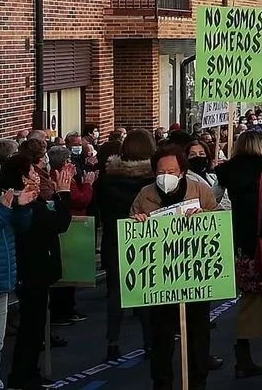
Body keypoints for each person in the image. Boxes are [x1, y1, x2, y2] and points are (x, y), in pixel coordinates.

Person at [129, 145, 220, 390]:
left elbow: (218, 225)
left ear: (181, 172)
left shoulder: (200, 190)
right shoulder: (145, 195)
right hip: (161, 281)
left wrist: (204, 218)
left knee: (198, 336)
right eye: (160, 170)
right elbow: (132, 237)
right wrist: (137, 223)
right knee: (161, 339)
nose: (165, 176)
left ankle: (197, 382)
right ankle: (162, 383)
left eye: (171, 170)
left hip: (195, 278)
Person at [7, 153, 73, 390]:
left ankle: (27, 371)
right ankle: (23, 375)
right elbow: (59, 223)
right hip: (31, 270)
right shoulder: (22, 205)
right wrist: (64, 193)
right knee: (31, 327)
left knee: (34, 326)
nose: (37, 176)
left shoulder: (30, 204)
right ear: (22, 178)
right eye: (32, 172)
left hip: (32, 269)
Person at [215, 131, 262, 379]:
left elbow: (212, 200)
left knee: (248, 299)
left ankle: (243, 354)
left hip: (241, 244)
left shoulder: (226, 172)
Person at [93, 129, 157, 361]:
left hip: (115, 239)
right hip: (146, 238)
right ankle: (150, 342)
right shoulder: (154, 180)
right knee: (148, 292)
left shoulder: (108, 178)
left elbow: (99, 205)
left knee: (117, 294)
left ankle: (113, 341)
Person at [0, 155, 35, 390]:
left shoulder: (8, 196)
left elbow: (21, 228)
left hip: (3, 277)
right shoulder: (2, 200)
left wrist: (21, 208)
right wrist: (4, 209)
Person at [47, 146, 91, 327]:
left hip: (71, 224)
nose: (72, 165)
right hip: (71, 226)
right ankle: (63, 311)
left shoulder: (65, 177)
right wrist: (88, 184)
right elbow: (79, 199)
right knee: (68, 273)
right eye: (69, 161)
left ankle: (66, 309)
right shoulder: (62, 179)